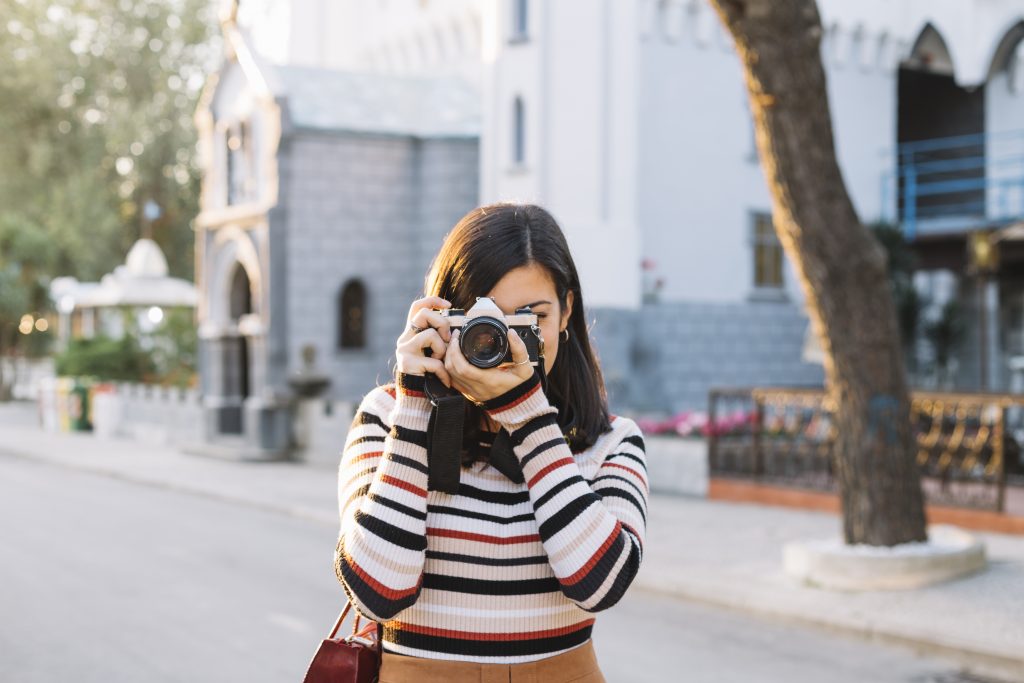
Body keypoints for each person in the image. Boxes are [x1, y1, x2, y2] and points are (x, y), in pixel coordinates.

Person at [333, 203, 648, 682]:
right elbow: (378, 591)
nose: (505, 342)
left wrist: (528, 419)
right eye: (488, 321)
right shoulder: (386, 415)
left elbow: (601, 585)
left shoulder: (610, 442)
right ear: (444, 315)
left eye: (531, 318)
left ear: (567, 310)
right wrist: (417, 401)